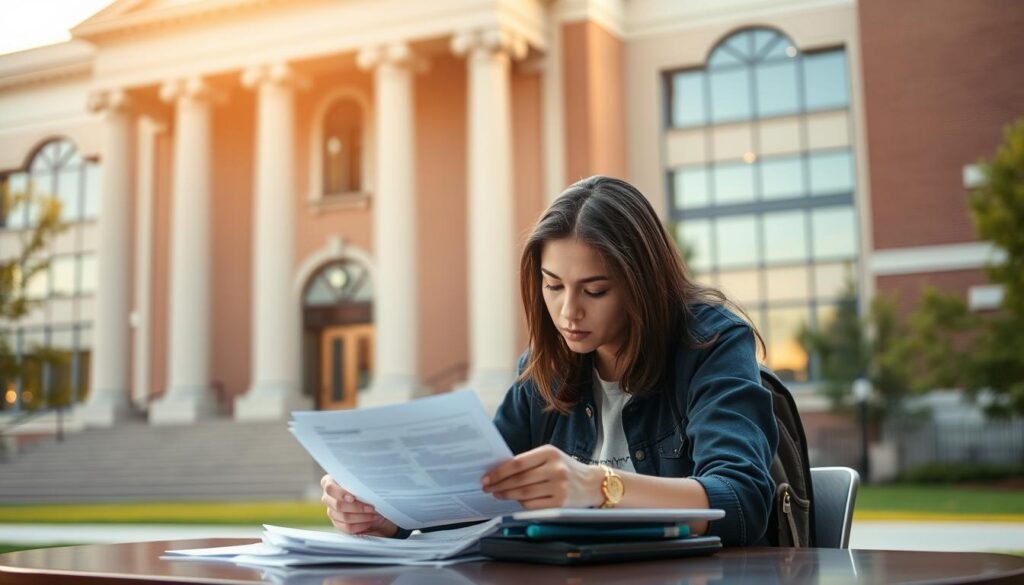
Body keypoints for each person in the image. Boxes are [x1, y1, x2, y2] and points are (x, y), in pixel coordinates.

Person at [320, 176, 779, 546]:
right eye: (553, 285)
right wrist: (389, 516)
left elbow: (742, 500)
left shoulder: (711, 342)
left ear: (642, 284)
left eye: (595, 290)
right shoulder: (546, 367)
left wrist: (598, 487)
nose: (567, 312)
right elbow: (482, 495)